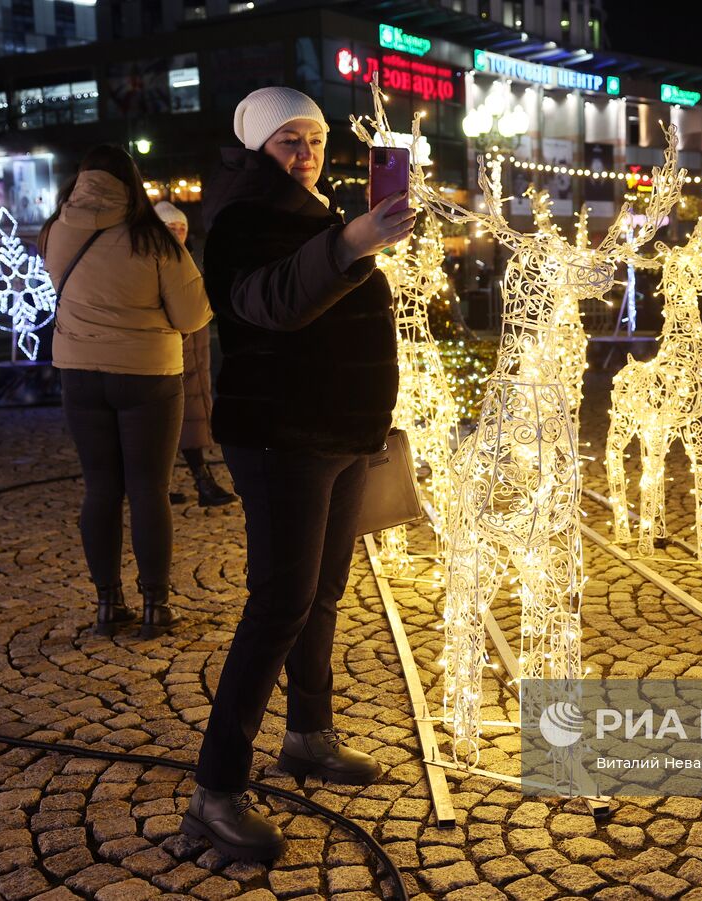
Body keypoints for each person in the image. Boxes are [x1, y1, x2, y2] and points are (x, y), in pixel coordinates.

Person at [178, 87, 414, 863]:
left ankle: (309, 736)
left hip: (343, 435)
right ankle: (216, 788)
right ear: (255, 148)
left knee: (321, 594)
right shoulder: (242, 220)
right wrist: (349, 244)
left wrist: (358, 239)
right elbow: (268, 304)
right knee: (278, 603)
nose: (305, 151)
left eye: (312, 137)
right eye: (287, 139)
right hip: (282, 436)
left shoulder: (317, 210)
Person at [40, 145, 212, 638]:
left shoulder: (54, 231)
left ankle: (107, 603)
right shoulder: (152, 238)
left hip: (79, 372)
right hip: (147, 376)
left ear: (82, 179)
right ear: (132, 182)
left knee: (100, 488)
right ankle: (156, 604)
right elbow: (192, 315)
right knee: (148, 489)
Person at [153, 200, 236, 507]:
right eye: (169, 228)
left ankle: (165, 488)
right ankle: (200, 483)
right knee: (173, 426)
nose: (177, 233)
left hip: (192, 356)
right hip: (173, 354)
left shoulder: (187, 259)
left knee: (180, 425)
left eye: (181, 228)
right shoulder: (161, 261)